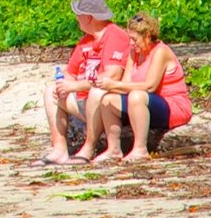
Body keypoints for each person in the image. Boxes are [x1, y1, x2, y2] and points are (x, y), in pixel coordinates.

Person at [82, 12, 193, 164]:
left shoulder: (160, 51)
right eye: (130, 38)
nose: (131, 43)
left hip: (172, 105)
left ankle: (140, 148)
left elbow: (150, 86)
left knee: (136, 95)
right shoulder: (133, 53)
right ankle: (113, 149)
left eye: (134, 39)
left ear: (147, 35)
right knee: (107, 99)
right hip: (145, 103)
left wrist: (115, 85)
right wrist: (106, 86)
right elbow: (126, 83)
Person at [39, 0, 134, 166]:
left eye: (78, 14)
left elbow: (111, 75)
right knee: (50, 91)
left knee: (97, 91)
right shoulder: (86, 40)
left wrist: (74, 85)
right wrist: (64, 84)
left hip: (106, 103)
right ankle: (59, 149)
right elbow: (71, 72)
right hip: (83, 101)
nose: (76, 19)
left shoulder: (115, 35)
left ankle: (89, 148)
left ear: (89, 17)